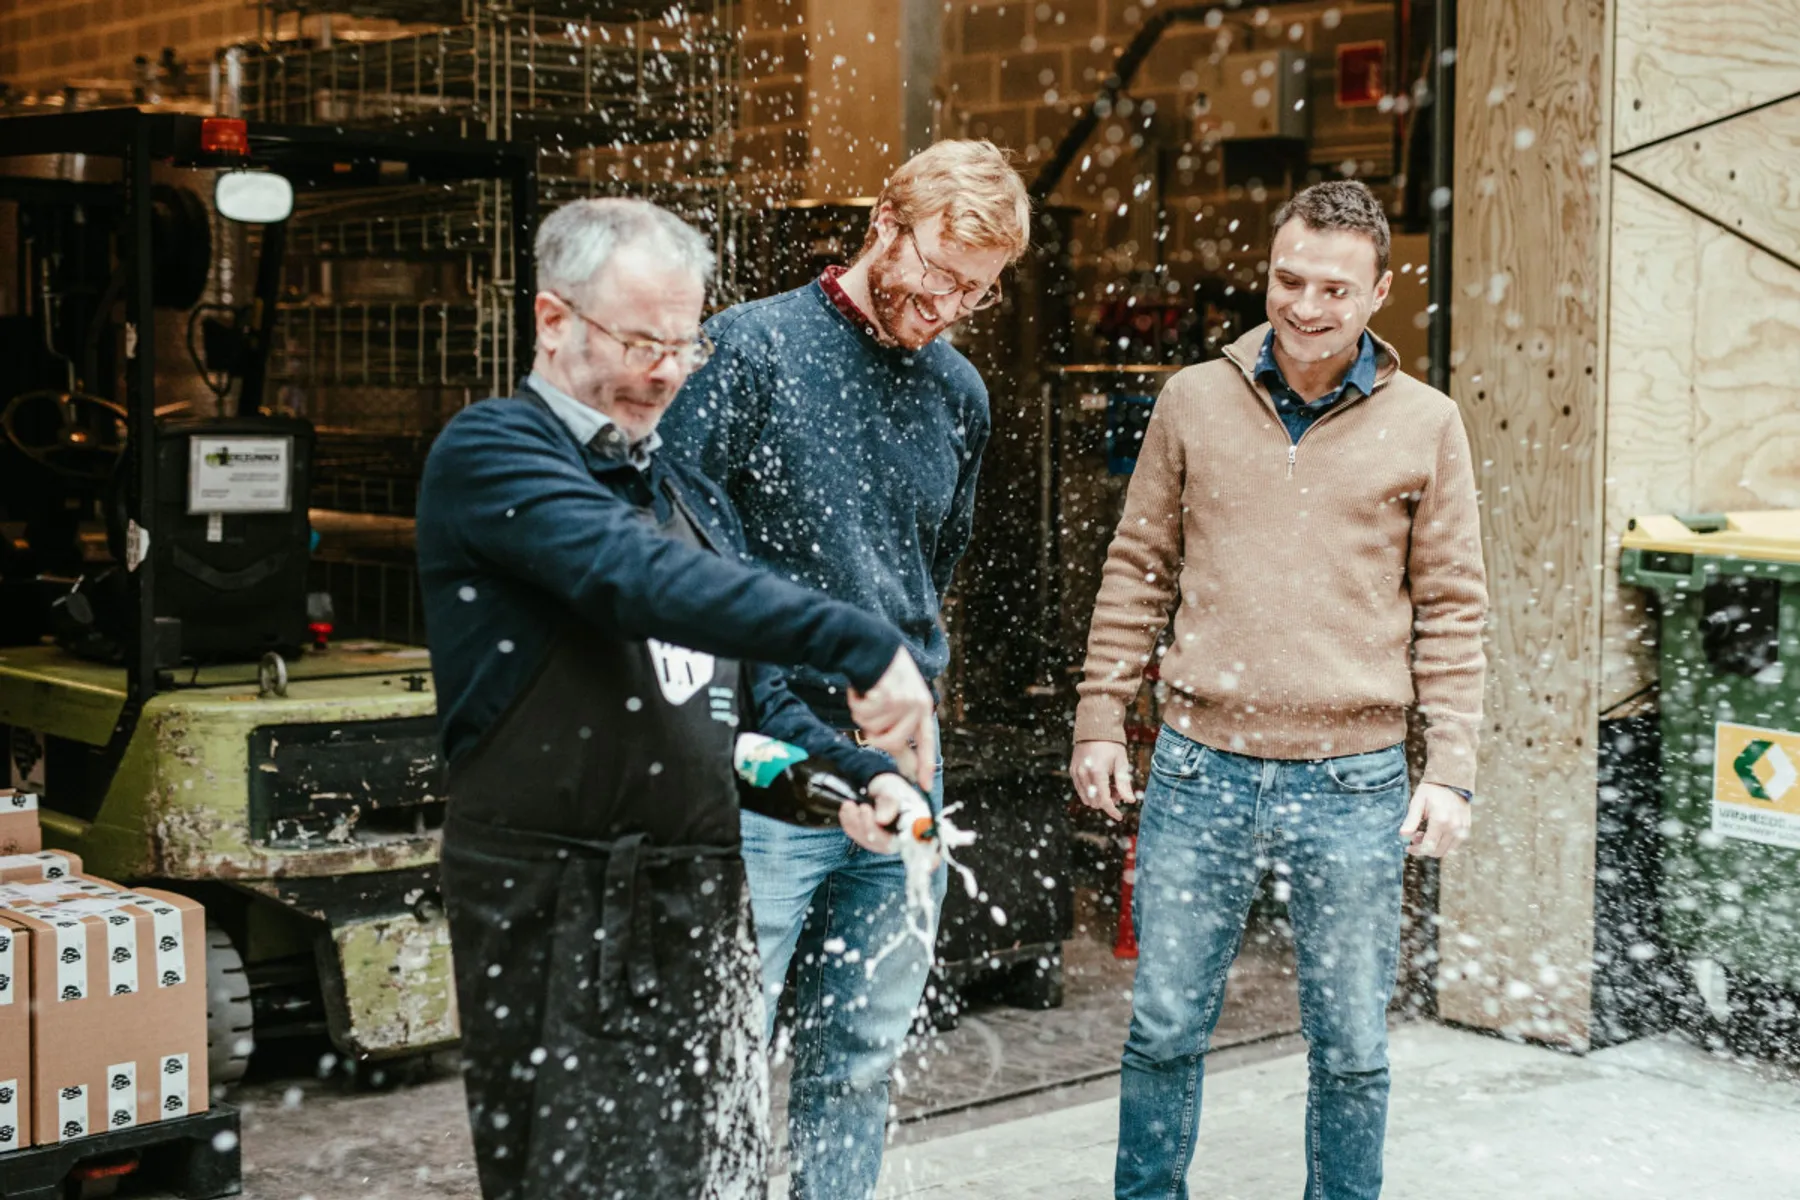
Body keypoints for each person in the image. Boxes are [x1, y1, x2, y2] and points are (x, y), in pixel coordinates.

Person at [415, 197, 939, 1200]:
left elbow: (747, 724)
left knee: (713, 1180)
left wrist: (853, 783)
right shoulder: (494, 457)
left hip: (694, 914)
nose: (665, 369)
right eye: (639, 340)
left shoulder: (681, 495)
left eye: (684, 341)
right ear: (552, 319)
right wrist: (864, 644)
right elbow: (630, 582)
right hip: (565, 920)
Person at [1070, 180, 1487, 1200]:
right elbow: (1137, 567)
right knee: (1165, 1027)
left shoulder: (1427, 424)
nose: (1305, 306)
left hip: (1354, 782)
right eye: (1287, 280)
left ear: (1381, 291)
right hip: (1199, 768)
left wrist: (1453, 769)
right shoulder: (1191, 400)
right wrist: (1099, 717)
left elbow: (1454, 606)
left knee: (1349, 1047)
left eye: (1335, 289)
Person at [659, 139, 1032, 1198]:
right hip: (762, 766)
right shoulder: (744, 354)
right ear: (884, 223)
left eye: (977, 290)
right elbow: (691, 578)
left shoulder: (959, 392)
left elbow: (924, 574)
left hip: (902, 758)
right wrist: (816, 722)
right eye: (936, 272)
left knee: (860, 1056)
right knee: (723, 1054)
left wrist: (900, 709)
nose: (947, 305)